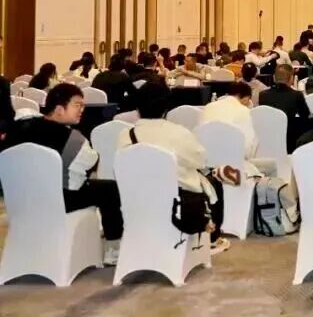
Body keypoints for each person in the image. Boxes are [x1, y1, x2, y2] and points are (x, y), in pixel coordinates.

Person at [0, 84, 124, 264]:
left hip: (18, 200)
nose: (82, 110)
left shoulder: (19, 127)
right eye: (77, 105)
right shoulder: (73, 139)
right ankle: (113, 248)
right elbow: (85, 169)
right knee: (109, 189)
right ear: (59, 109)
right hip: (56, 201)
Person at [116, 82, 235, 254]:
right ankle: (212, 238)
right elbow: (201, 161)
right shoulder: (179, 133)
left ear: (138, 108)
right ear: (167, 107)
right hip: (177, 202)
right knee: (213, 182)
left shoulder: (125, 135)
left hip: (137, 200)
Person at [199, 81, 275, 177]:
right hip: (233, 168)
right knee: (272, 165)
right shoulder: (243, 111)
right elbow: (248, 150)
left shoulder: (208, 107)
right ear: (247, 98)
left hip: (205, 166)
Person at [257, 64, 311, 152]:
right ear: (291, 78)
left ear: (274, 78)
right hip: (289, 138)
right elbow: (306, 115)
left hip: (267, 136)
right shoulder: (296, 95)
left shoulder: (263, 95)